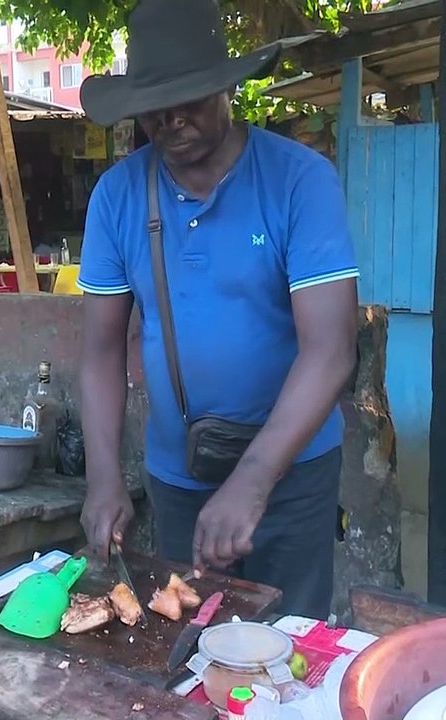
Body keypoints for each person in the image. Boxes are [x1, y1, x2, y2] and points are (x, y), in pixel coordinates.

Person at [75, 0, 359, 619]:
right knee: (189, 650)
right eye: (156, 107)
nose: (172, 120)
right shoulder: (118, 196)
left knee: (287, 656)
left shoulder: (299, 181)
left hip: (294, 475)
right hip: (180, 480)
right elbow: (99, 351)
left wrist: (255, 480)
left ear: (227, 87)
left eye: (192, 99)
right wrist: (104, 477)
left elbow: (331, 349)